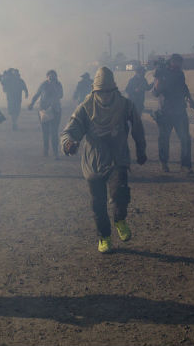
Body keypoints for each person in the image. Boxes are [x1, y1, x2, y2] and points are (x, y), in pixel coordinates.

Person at [61, 67, 147, 253]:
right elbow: (71, 130)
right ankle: (104, 237)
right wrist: (69, 143)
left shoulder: (125, 105)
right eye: (101, 92)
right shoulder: (85, 107)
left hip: (118, 156)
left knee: (120, 193)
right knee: (98, 203)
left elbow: (138, 127)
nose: (105, 96)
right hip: (94, 159)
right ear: (95, 91)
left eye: (108, 91)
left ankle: (120, 219)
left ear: (114, 90)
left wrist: (141, 149)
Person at [152, 53, 194, 174]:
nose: (179, 65)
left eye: (180, 63)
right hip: (165, 112)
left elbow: (184, 88)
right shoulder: (161, 73)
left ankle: (185, 165)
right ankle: (164, 163)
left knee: (185, 139)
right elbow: (155, 93)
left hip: (180, 112)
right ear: (172, 62)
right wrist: (158, 81)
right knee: (164, 139)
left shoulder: (180, 74)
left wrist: (191, 101)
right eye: (177, 63)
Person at [29, 70, 64, 158]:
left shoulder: (58, 85)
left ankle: (55, 152)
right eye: (50, 76)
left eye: (53, 76)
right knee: (45, 132)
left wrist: (54, 86)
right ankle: (46, 150)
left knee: (54, 132)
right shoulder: (43, 84)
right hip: (44, 111)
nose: (51, 78)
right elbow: (37, 95)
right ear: (47, 77)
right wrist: (31, 103)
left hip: (55, 110)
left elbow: (61, 95)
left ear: (56, 77)